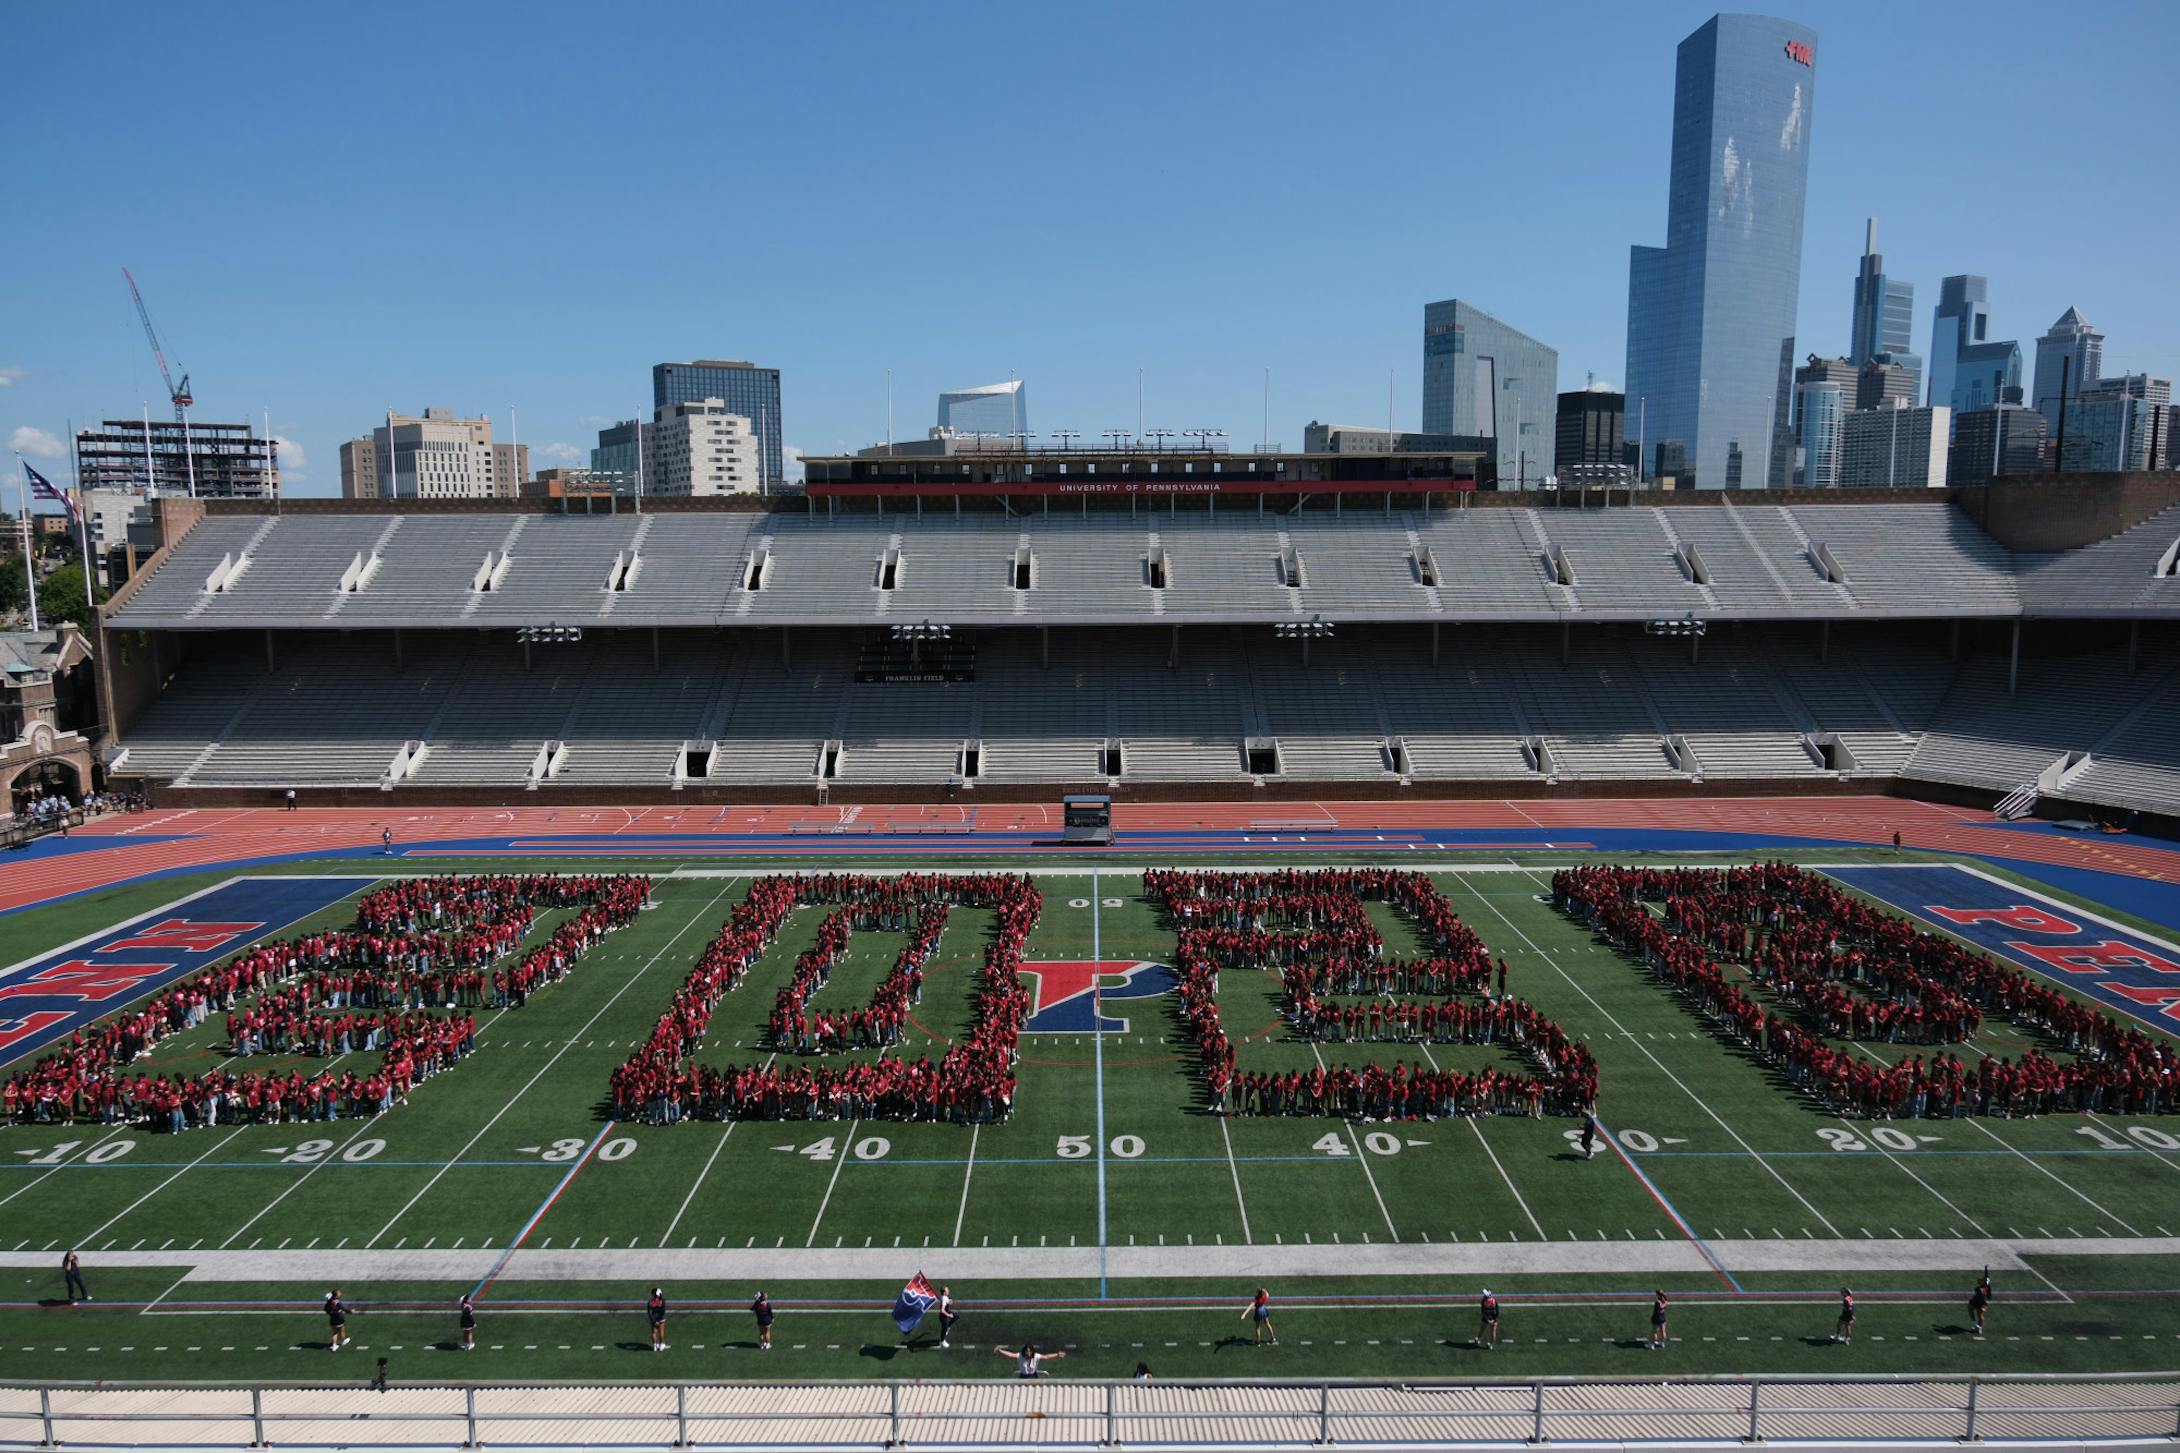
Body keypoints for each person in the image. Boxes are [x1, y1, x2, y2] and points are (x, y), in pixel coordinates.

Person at [995, 1343, 1066, 1379]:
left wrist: (1057, 1354)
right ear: (1024, 1352)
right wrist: (1000, 1351)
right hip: (1023, 1376)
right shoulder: (1020, 1356)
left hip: (1033, 1376)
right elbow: (1010, 1355)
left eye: (1030, 1351)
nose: (1029, 1353)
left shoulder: (1036, 1356)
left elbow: (1046, 1357)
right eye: (1027, 1351)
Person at [1969, 1270, 1991, 1337]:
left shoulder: (1982, 1288)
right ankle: (1977, 1326)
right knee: (1972, 1311)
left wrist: (1984, 1306)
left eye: (1981, 1280)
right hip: (1978, 1301)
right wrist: (1986, 1268)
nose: (1979, 1280)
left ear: (1984, 1282)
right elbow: (1986, 1276)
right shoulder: (1986, 1285)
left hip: (1978, 1302)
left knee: (1979, 1315)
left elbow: (1987, 1296)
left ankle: (1978, 1327)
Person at [647, 1287, 668, 1353]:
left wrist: (654, 1321)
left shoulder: (650, 1302)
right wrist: (659, 1320)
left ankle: (654, 1346)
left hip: (654, 1318)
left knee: (654, 1332)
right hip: (660, 1318)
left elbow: (649, 1313)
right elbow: (663, 1311)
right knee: (661, 1331)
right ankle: (661, 1345)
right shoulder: (662, 1301)